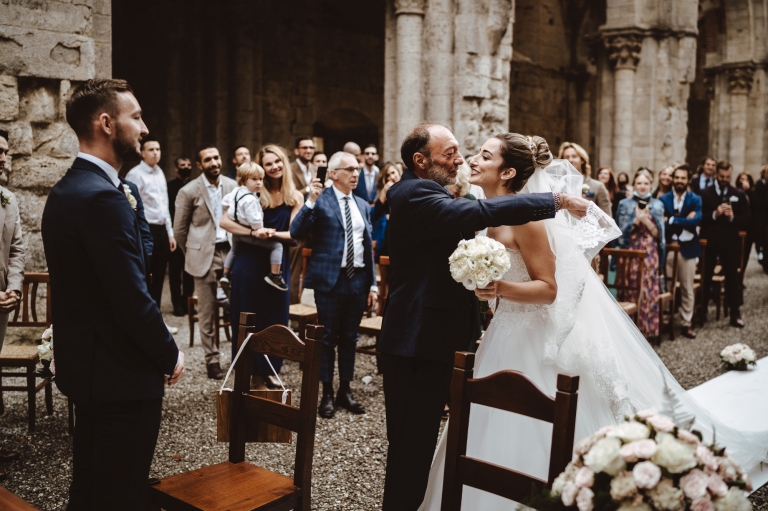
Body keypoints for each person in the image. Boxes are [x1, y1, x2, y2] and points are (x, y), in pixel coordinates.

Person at [417, 136, 768, 511]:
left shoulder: (527, 222)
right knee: (485, 420)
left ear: (507, 172)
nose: (472, 160)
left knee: (538, 422)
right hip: (503, 332)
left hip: (534, 338)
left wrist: (501, 286)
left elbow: (549, 289)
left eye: (484, 156)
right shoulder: (485, 214)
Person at [379, 123, 590, 511]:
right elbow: (480, 209)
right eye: (451, 153)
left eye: (472, 153)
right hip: (417, 343)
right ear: (420, 161)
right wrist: (555, 200)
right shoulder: (413, 191)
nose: (462, 159)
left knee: (437, 438)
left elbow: (547, 285)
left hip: (455, 339)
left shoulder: (435, 194)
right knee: (411, 447)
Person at [41, 79, 184, 510]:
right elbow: (130, 295)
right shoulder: (101, 197)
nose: (144, 127)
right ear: (106, 123)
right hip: (121, 377)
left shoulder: (69, 189)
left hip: (89, 372)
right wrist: (169, 353)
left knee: (89, 489)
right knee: (120, 494)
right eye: (135, 117)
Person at [290, 151, 378, 418]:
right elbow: (296, 232)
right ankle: (327, 392)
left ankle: (346, 390)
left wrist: (372, 285)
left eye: (357, 169)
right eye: (349, 169)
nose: (355, 174)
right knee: (328, 338)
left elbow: (367, 249)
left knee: (350, 337)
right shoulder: (322, 201)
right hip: (330, 279)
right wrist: (310, 201)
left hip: (358, 279)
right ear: (333, 173)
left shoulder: (362, 204)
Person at [221, 144, 302, 389]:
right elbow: (225, 221)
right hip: (249, 262)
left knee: (276, 318)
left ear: (284, 163)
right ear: (261, 169)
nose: (274, 166)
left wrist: (271, 234)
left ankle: (268, 371)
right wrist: (255, 233)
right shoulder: (252, 190)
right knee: (249, 317)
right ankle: (251, 375)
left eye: (278, 161)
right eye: (268, 164)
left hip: (276, 265)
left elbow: (295, 234)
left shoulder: (294, 196)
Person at [174, 145, 237, 379]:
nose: (214, 163)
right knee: (208, 310)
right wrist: (193, 251)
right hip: (204, 255)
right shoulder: (189, 191)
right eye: (208, 160)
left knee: (238, 305)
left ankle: (240, 355)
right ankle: (212, 360)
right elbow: (179, 229)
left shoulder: (233, 186)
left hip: (231, 251)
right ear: (200, 165)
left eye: (217, 158)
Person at [125, 136, 178, 333]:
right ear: (143, 153)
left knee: (159, 277)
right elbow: (130, 207)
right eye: (151, 149)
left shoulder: (160, 172)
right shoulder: (135, 174)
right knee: (146, 275)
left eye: (158, 149)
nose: (156, 152)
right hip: (145, 230)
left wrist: (170, 233)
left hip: (162, 229)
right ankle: (144, 321)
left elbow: (164, 205)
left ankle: (158, 321)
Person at [0, 129, 25, 481]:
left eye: (5, 151)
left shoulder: (8, 199)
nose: (3, 158)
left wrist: (14, 287)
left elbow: (17, 249)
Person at [220, 161, 287, 292]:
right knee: (277, 246)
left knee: (233, 250)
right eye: (254, 179)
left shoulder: (236, 191)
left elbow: (225, 203)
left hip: (236, 233)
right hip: (249, 232)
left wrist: (233, 214)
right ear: (243, 180)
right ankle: (275, 275)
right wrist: (259, 229)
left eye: (261, 179)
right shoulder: (250, 199)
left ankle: (225, 274)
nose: (259, 183)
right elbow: (255, 219)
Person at [615, 168, 665, 341]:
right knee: (631, 288)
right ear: (634, 184)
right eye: (639, 183)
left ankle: (648, 331)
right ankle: (629, 334)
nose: (642, 186)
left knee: (649, 291)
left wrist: (645, 220)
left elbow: (660, 236)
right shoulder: (624, 204)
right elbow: (620, 234)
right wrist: (635, 221)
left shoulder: (658, 204)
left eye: (646, 183)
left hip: (650, 253)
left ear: (651, 185)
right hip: (631, 252)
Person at [700, 161, 750, 328]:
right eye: (721, 176)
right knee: (706, 277)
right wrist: (715, 214)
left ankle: (735, 314)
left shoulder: (739, 194)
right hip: (711, 242)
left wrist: (732, 217)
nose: (724, 179)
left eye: (727, 177)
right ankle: (702, 312)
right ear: (716, 174)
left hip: (730, 242)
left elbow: (747, 221)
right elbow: (700, 217)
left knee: (732, 278)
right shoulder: (705, 193)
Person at [659, 165, 702, 339]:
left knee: (687, 287)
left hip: (688, 249)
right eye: (677, 178)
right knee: (668, 286)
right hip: (669, 247)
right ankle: (667, 320)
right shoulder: (664, 198)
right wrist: (684, 220)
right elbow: (661, 223)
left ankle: (686, 322)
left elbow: (697, 220)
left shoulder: (695, 199)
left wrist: (673, 220)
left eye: (683, 178)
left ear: (688, 180)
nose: (679, 181)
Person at [167, 156, 194, 316]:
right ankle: (177, 304)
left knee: (190, 272)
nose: (186, 167)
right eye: (182, 165)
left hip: (192, 235)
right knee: (175, 271)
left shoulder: (194, 186)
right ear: (176, 168)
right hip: (175, 234)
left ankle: (188, 303)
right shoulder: (169, 187)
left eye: (189, 165)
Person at [558, 141, 612, 216]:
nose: (570, 160)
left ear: (582, 160)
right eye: (567, 157)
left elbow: (607, 217)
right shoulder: (558, 186)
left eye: (574, 156)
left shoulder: (598, 186)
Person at [371, 163, 402, 260]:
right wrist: (384, 190)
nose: (391, 177)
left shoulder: (407, 187)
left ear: (399, 172)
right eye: (387, 175)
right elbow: (376, 214)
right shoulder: (384, 192)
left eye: (393, 172)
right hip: (386, 237)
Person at [735, 171, 758, 271]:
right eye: (742, 179)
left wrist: (748, 191)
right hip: (738, 228)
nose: (744, 181)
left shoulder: (753, 193)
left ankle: (741, 278)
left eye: (747, 179)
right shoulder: (735, 192)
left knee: (745, 254)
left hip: (750, 229)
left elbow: (756, 207)